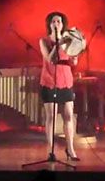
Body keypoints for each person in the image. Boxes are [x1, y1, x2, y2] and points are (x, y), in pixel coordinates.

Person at [39, 11, 80, 161]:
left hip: (66, 80)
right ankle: (51, 151)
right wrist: (58, 44)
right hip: (49, 80)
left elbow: (72, 62)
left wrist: (75, 58)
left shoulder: (68, 41)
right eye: (53, 22)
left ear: (63, 25)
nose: (56, 24)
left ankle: (70, 149)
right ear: (49, 24)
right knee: (51, 117)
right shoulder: (44, 41)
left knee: (69, 115)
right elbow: (50, 59)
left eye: (59, 22)